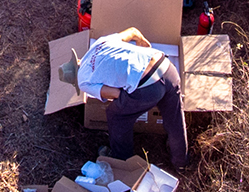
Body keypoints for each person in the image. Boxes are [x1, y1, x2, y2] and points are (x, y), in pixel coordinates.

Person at [74, 26, 188, 171]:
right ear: (78, 60)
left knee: (116, 115)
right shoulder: (99, 43)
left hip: (149, 87)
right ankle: (181, 162)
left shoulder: (83, 82)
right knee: (175, 117)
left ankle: (123, 162)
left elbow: (116, 94)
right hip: (166, 66)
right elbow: (134, 32)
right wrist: (143, 44)